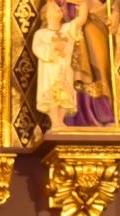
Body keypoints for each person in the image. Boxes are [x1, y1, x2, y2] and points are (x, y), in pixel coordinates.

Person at [65, 0, 117, 127]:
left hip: (97, 15)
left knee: (99, 65)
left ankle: (102, 114)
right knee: (73, 67)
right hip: (69, 17)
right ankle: (74, 115)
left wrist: (116, 10)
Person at [32, 0, 82, 132]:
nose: (58, 9)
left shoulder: (66, 29)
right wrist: (53, 46)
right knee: (53, 97)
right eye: (53, 8)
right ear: (46, 14)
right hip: (50, 73)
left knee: (65, 96)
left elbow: (81, 18)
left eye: (59, 8)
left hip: (65, 71)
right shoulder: (41, 34)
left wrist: (81, 3)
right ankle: (55, 123)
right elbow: (37, 49)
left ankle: (60, 122)